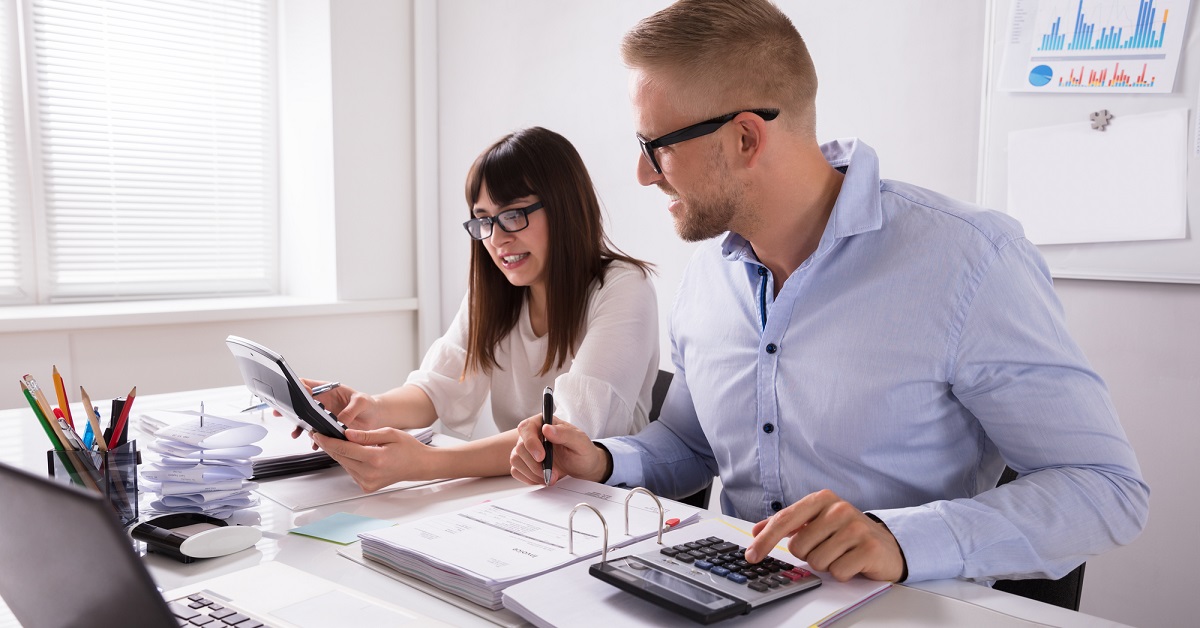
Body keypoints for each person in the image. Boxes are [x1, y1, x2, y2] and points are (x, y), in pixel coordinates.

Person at [512, 0, 1148, 585]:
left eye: (656, 147)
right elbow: (690, 446)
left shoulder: (970, 261)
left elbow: (1106, 490)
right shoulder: (709, 273)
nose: (643, 173)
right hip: (729, 596)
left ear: (744, 138)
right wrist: (599, 460)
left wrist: (899, 539)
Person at [308, 126, 659, 492]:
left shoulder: (624, 287)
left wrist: (426, 463)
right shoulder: (495, 290)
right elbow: (437, 387)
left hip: (609, 509)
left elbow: (567, 434)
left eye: (514, 214)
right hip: (528, 496)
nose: (496, 238)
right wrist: (367, 407)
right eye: (484, 220)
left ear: (565, 207)